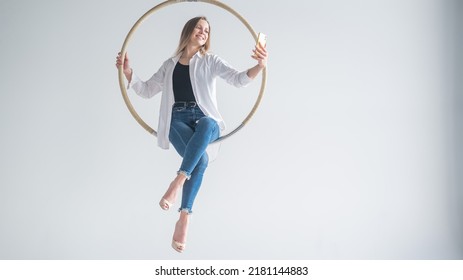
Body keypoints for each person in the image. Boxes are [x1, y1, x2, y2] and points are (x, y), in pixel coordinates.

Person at [115, 16, 268, 253]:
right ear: (188, 30)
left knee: (207, 124)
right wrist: (128, 73)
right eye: (199, 27)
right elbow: (146, 91)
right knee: (202, 160)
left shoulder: (210, 61)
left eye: (207, 29)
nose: (204, 31)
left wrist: (260, 65)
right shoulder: (170, 65)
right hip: (177, 120)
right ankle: (184, 217)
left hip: (207, 121)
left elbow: (238, 80)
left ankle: (177, 181)